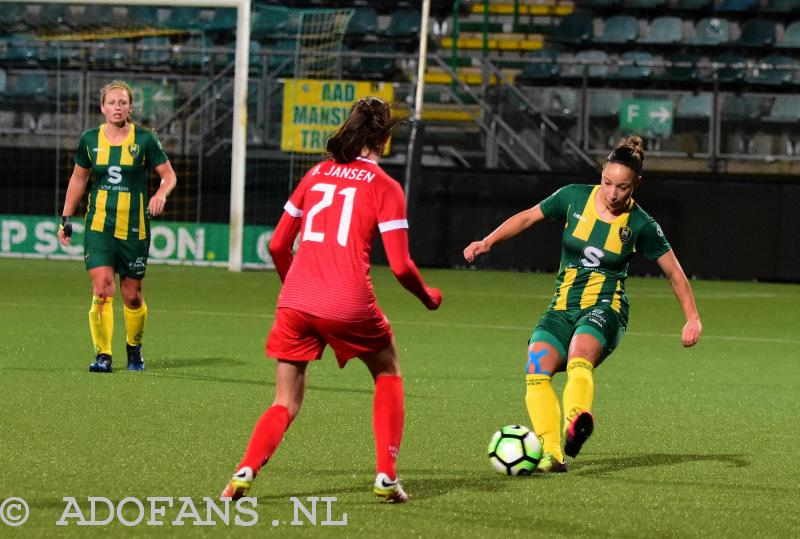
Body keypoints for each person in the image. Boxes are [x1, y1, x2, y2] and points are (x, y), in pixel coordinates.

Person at [221, 97, 442, 503]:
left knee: (284, 401)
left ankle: (244, 471)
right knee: (387, 371)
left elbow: (276, 245)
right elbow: (400, 266)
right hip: (349, 302)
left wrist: (298, 288)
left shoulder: (317, 173)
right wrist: (428, 297)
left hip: (296, 303)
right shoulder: (385, 187)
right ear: (386, 138)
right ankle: (386, 476)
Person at [463, 136, 701, 473]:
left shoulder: (641, 225)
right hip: (561, 307)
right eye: (608, 182)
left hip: (606, 308)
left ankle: (576, 422)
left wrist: (692, 318)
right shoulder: (573, 197)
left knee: (579, 356)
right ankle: (552, 453)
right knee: (536, 370)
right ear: (601, 173)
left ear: (637, 184)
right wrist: (488, 241)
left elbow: (675, 273)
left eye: (622, 186)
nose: (613, 193)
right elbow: (529, 217)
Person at [58, 80, 177, 373]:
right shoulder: (89, 140)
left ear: (130, 107)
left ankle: (134, 349)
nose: (117, 107)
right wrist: (66, 218)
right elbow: (78, 179)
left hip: (134, 228)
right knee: (102, 289)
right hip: (99, 225)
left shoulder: (145, 140)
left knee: (132, 295)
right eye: (112, 102)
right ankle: (103, 355)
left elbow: (169, 175)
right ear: (102, 107)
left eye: (122, 102)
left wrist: (161, 193)